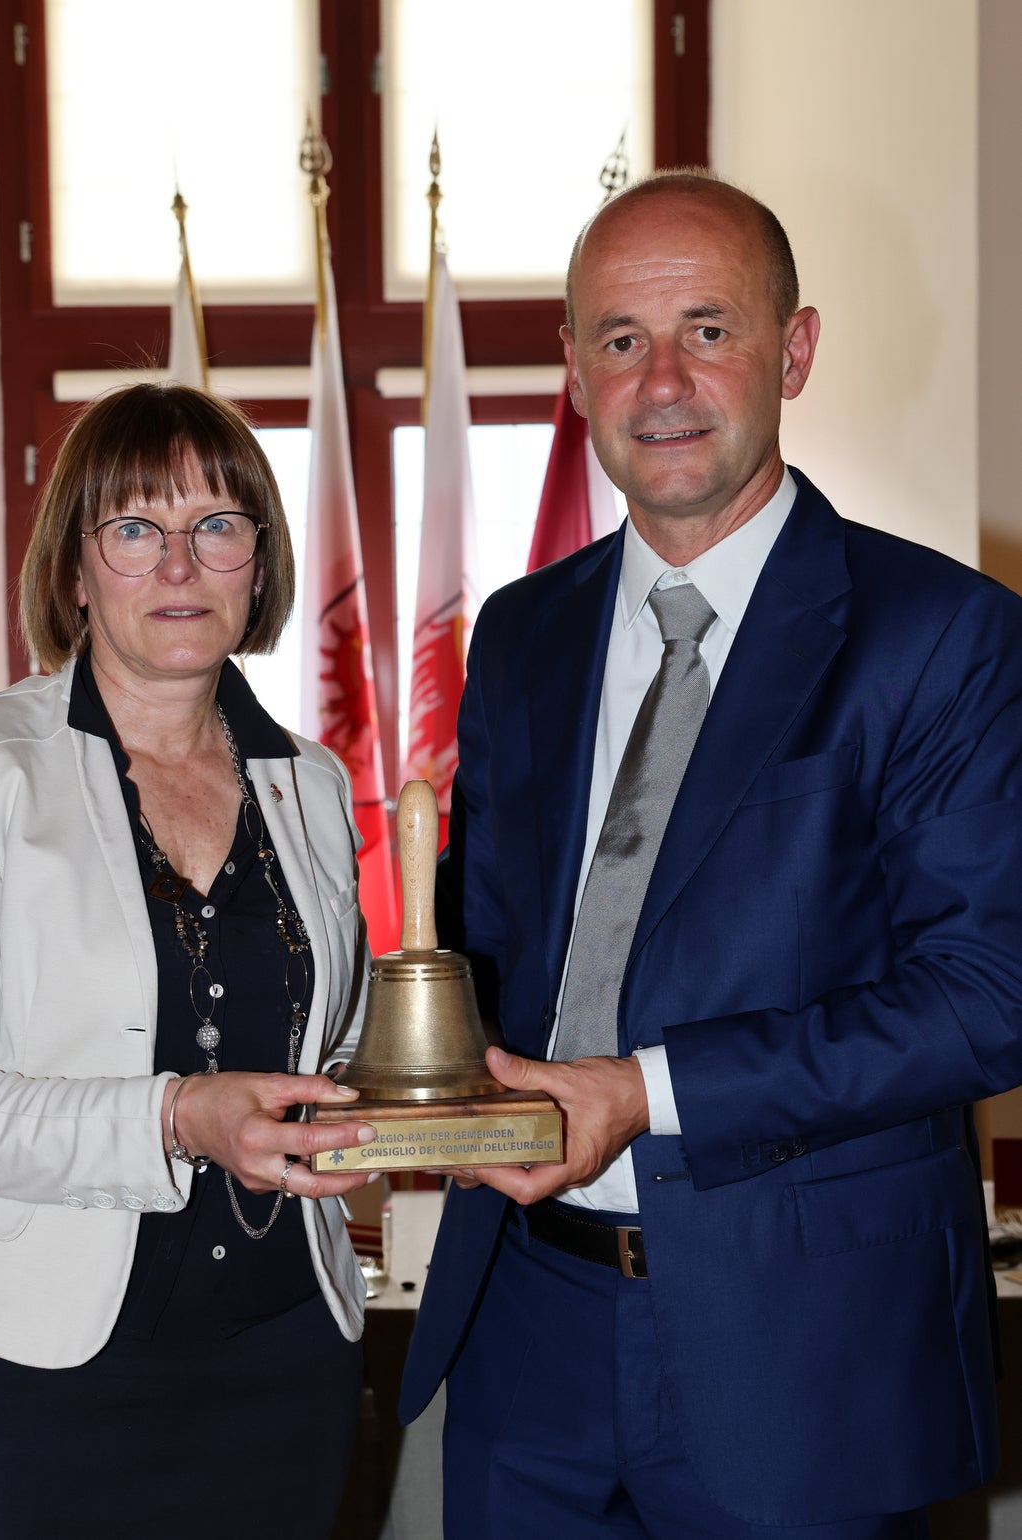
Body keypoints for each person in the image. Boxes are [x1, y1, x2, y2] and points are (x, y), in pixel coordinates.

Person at [399, 171, 1022, 1538]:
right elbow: (489, 955)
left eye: (707, 328)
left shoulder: (940, 634)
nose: (661, 379)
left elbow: (989, 995)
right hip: (526, 1334)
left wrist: (646, 1091)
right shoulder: (518, 638)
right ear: (571, 371)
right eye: (619, 338)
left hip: (803, 1357)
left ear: (791, 350)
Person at [0, 383, 381, 1537]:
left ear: (258, 559)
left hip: (278, 1371)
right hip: (9, 1384)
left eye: (217, 525)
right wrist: (179, 1116)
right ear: (75, 569)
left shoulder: (312, 781)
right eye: (135, 529)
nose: (181, 565)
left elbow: (326, 1042)